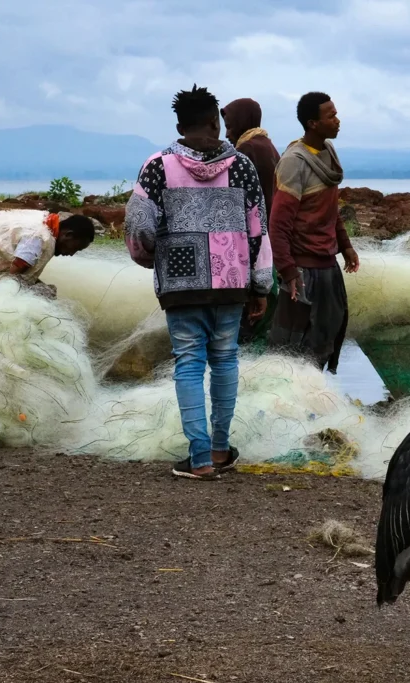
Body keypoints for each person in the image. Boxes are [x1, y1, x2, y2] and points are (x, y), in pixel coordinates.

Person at [124, 85, 274, 481]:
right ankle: (222, 450)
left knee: (188, 364)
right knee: (225, 358)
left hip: (181, 285)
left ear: (178, 125)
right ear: (216, 121)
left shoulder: (157, 166)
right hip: (231, 282)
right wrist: (260, 285)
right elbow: (259, 228)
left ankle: (200, 458)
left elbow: (139, 227)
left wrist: (152, 257)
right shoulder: (241, 165)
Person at [268, 91, 360, 372]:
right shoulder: (294, 162)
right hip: (303, 271)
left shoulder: (328, 153)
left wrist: (345, 246)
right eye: (331, 116)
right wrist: (288, 271)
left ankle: (316, 404)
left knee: (326, 338)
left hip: (328, 265)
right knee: (294, 346)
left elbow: (329, 211)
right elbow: (278, 224)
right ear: (313, 123)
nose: (338, 120)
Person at [221, 97, 282, 346]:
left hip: (255, 245)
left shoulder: (248, 150)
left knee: (246, 327)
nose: (226, 133)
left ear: (242, 122)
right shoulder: (266, 145)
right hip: (269, 242)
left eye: (230, 125)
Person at [0, 209, 94, 297]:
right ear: (68, 235)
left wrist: (38, 284)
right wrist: (40, 292)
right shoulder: (38, 238)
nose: (71, 254)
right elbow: (13, 278)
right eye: (76, 248)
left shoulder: (43, 221)